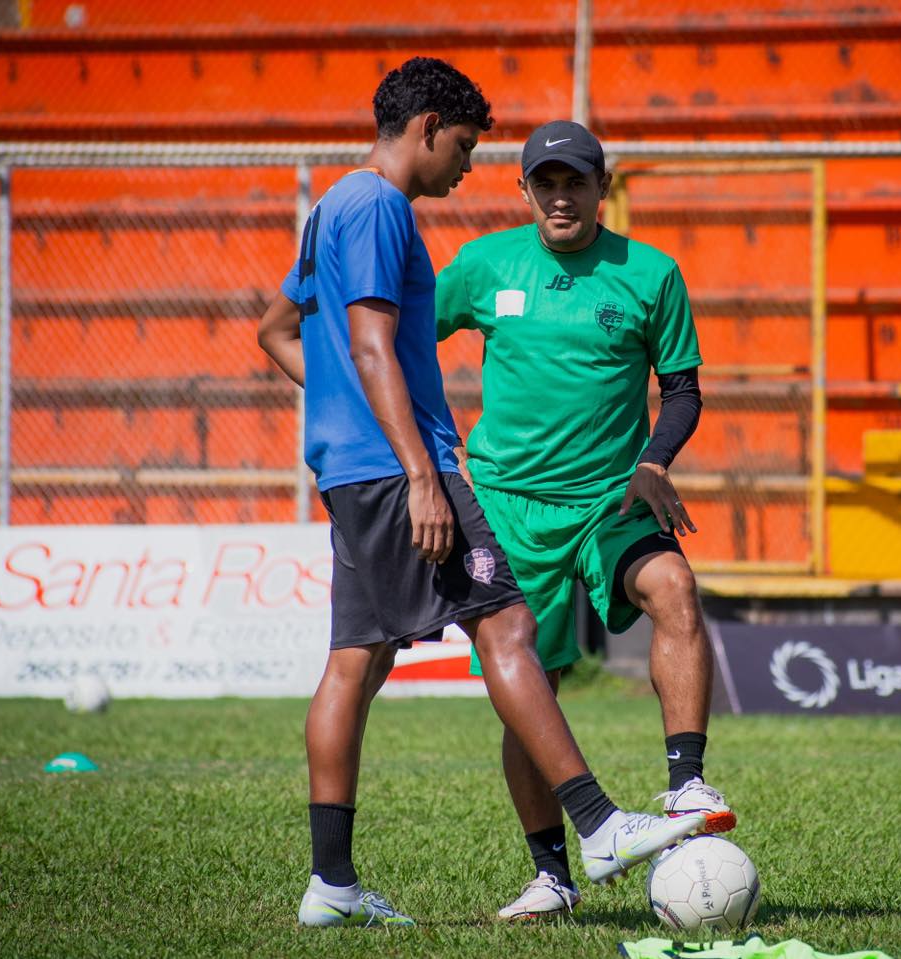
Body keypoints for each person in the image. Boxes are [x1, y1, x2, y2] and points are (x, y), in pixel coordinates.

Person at [256, 62, 709, 929]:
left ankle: (332, 886)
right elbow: (374, 345)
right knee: (507, 627)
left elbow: (280, 328)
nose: (466, 168)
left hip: (352, 470)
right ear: (427, 127)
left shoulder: (331, 207)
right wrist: (422, 472)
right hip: (403, 469)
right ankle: (600, 826)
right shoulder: (382, 206)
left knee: (357, 659)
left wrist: (345, 413)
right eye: (464, 147)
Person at [435, 119, 733, 922]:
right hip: (508, 507)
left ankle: (685, 784)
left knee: (674, 587)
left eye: (576, 182)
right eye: (546, 182)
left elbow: (684, 390)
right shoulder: (484, 264)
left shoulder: (651, 273)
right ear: (524, 189)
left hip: (612, 497)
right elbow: (399, 342)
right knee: (532, 685)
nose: (561, 197)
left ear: (603, 189)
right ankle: (552, 875)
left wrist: (653, 460)